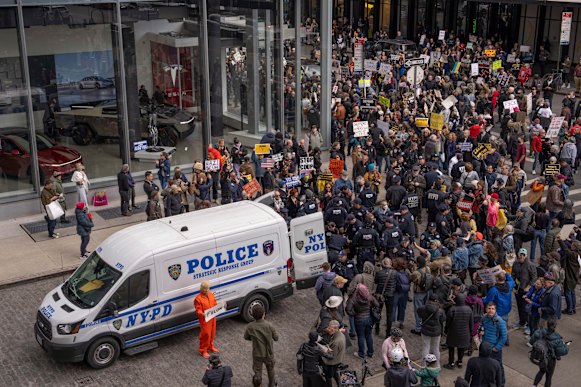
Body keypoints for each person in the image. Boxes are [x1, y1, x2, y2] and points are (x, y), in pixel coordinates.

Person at [244, 304, 278, 387]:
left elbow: (246, 337)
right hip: (268, 353)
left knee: (257, 371)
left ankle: (258, 385)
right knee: (270, 370)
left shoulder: (250, 326)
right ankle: (272, 385)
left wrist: (254, 338)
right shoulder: (269, 325)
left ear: (252, 315)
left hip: (257, 353)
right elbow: (276, 338)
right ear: (263, 314)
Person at [529, 318, 570, 387]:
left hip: (541, 357)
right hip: (550, 360)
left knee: (541, 371)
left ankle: (534, 385)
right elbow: (561, 352)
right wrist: (566, 347)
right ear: (555, 326)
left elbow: (531, 342)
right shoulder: (557, 339)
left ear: (547, 324)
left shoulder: (539, 332)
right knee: (548, 377)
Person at [346, 283, 378, 359]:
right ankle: (370, 353)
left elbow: (348, 309)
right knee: (369, 335)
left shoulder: (353, 298)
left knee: (361, 336)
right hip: (369, 318)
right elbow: (377, 304)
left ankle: (361, 354)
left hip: (359, 320)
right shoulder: (369, 297)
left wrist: (354, 313)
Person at [479, 302, 507, 387]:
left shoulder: (500, 321)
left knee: (498, 367)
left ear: (495, 310)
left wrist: (497, 348)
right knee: (484, 366)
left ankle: (501, 384)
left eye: (493, 309)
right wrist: (481, 331)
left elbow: (504, 336)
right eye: (489, 308)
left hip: (494, 350)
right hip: (484, 348)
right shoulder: (484, 317)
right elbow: (481, 325)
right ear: (486, 309)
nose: (491, 310)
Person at [444, 294, 473, 369]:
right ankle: (459, 362)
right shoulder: (469, 309)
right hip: (464, 333)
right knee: (461, 348)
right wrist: (471, 332)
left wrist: (446, 329)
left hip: (453, 332)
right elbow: (471, 323)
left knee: (451, 348)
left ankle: (451, 363)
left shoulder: (452, 309)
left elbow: (448, 322)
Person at [417, 294, 444, 367]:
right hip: (436, 332)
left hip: (425, 330)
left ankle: (423, 366)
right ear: (436, 300)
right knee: (436, 348)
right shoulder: (440, 310)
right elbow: (443, 319)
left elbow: (419, 313)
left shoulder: (423, 308)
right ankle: (437, 366)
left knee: (426, 348)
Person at [556, 235, 581, 314]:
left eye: (572, 245)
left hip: (569, 276)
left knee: (567, 292)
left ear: (575, 247)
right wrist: (569, 239)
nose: (571, 246)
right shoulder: (578, 254)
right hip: (574, 276)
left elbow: (565, 249)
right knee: (572, 292)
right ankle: (573, 308)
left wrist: (560, 240)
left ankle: (569, 309)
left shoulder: (573, 255)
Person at [194, 281, 219, 358]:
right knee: (206, 334)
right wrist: (202, 314)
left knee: (212, 333)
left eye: (208, 288)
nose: (207, 290)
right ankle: (203, 350)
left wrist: (219, 307)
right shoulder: (198, 299)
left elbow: (215, 303)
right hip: (205, 319)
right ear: (202, 289)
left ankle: (210, 346)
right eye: (205, 288)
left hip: (212, 317)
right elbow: (198, 310)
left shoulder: (211, 294)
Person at [321, 320, 345, 387]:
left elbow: (331, 356)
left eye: (330, 328)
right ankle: (340, 384)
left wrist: (323, 351)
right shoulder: (340, 334)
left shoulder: (336, 342)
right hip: (338, 359)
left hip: (332, 362)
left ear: (336, 328)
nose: (328, 330)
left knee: (328, 377)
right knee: (335, 373)